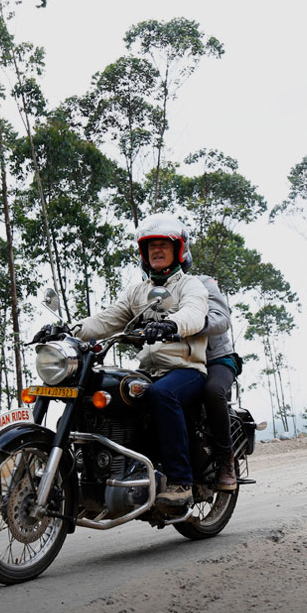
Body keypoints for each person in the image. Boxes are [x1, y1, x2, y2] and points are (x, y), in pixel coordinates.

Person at [75, 213, 209, 510]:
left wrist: (171, 325)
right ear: (143, 254)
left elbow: (194, 313)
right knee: (101, 393)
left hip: (185, 370)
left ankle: (180, 482)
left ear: (178, 250)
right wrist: (72, 331)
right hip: (149, 371)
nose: (157, 251)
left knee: (163, 394)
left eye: (163, 245)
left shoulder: (191, 285)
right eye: (151, 247)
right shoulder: (138, 291)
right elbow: (108, 318)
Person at [198, 276, 241, 492]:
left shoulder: (202, 283)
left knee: (213, 391)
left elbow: (221, 318)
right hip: (176, 362)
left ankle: (226, 459)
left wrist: (192, 323)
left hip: (217, 359)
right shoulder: (146, 290)